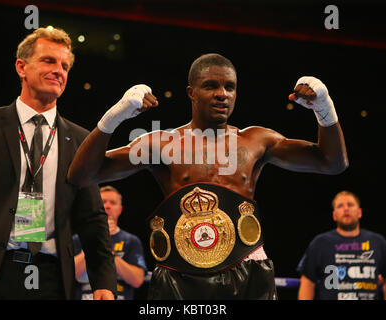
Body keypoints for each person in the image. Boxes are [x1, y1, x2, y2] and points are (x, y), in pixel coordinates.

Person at [67, 53, 348, 299]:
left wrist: (324, 107)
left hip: (247, 270)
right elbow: (81, 175)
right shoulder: (161, 144)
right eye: (211, 86)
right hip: (180, 275)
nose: (222, 94)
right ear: (191, 92)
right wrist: (115, 116)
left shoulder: (256, 141)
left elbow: (332, 162)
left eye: (230, 87)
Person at [0, 27, 116, 300]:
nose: (59, 71)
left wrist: (104, 283)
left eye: (65, 66)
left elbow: (92, 218)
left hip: (53, 277)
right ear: (21, 67)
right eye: (48, 61)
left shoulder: (80, 140)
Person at [297, 191, 386, 300]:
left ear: (360, 212)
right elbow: (307, 283)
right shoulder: (320, 243)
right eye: (340, 206)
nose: (346, 209)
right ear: (334, 215)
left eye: (350, 204)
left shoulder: (378, 242)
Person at [74, 186, 147, 300]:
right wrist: (96, 240)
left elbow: (137, 280)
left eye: (112, 203)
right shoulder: (77, 239)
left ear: (120, 209)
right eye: (103, 202)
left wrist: (108, 250)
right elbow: (68, 275)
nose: (107, 206)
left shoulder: (131, 241)